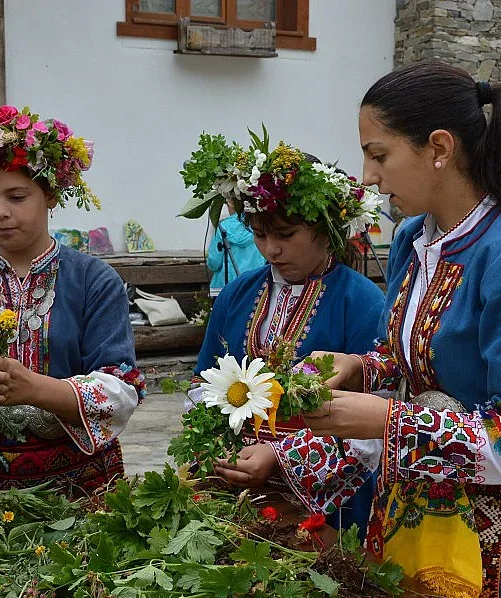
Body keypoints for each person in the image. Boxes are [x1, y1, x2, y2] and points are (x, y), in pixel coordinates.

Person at [301, 63, 501, 598]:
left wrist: (387, 423)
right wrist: (359, 368)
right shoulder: (414, 240)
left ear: (439, 148)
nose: (367, 176)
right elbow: (410, 362)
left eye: (379, 154)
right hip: (408, 505)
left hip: (488, 530)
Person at [0, 103, 144, 493]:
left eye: (17, 196)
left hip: (78, 489)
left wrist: (35, 389)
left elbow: (121, 390)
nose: (0, 213)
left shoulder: (95, 281)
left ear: (51, 196)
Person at [182, 133, 386, 536]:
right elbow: (201, 386)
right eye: (259, 234)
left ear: (327, 230)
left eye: (286, 235)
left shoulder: (361, 301)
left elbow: (372, 426)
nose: (270, 249)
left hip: (329, 500)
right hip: (236, 479)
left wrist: (279, 457)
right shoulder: (237, 295)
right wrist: (217, 450)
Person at [206, 203, 265, 296]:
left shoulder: (223, 227)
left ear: (230, 203)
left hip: (224, 287)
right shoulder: (258, 225)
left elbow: (214, 263)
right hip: (255, 285)